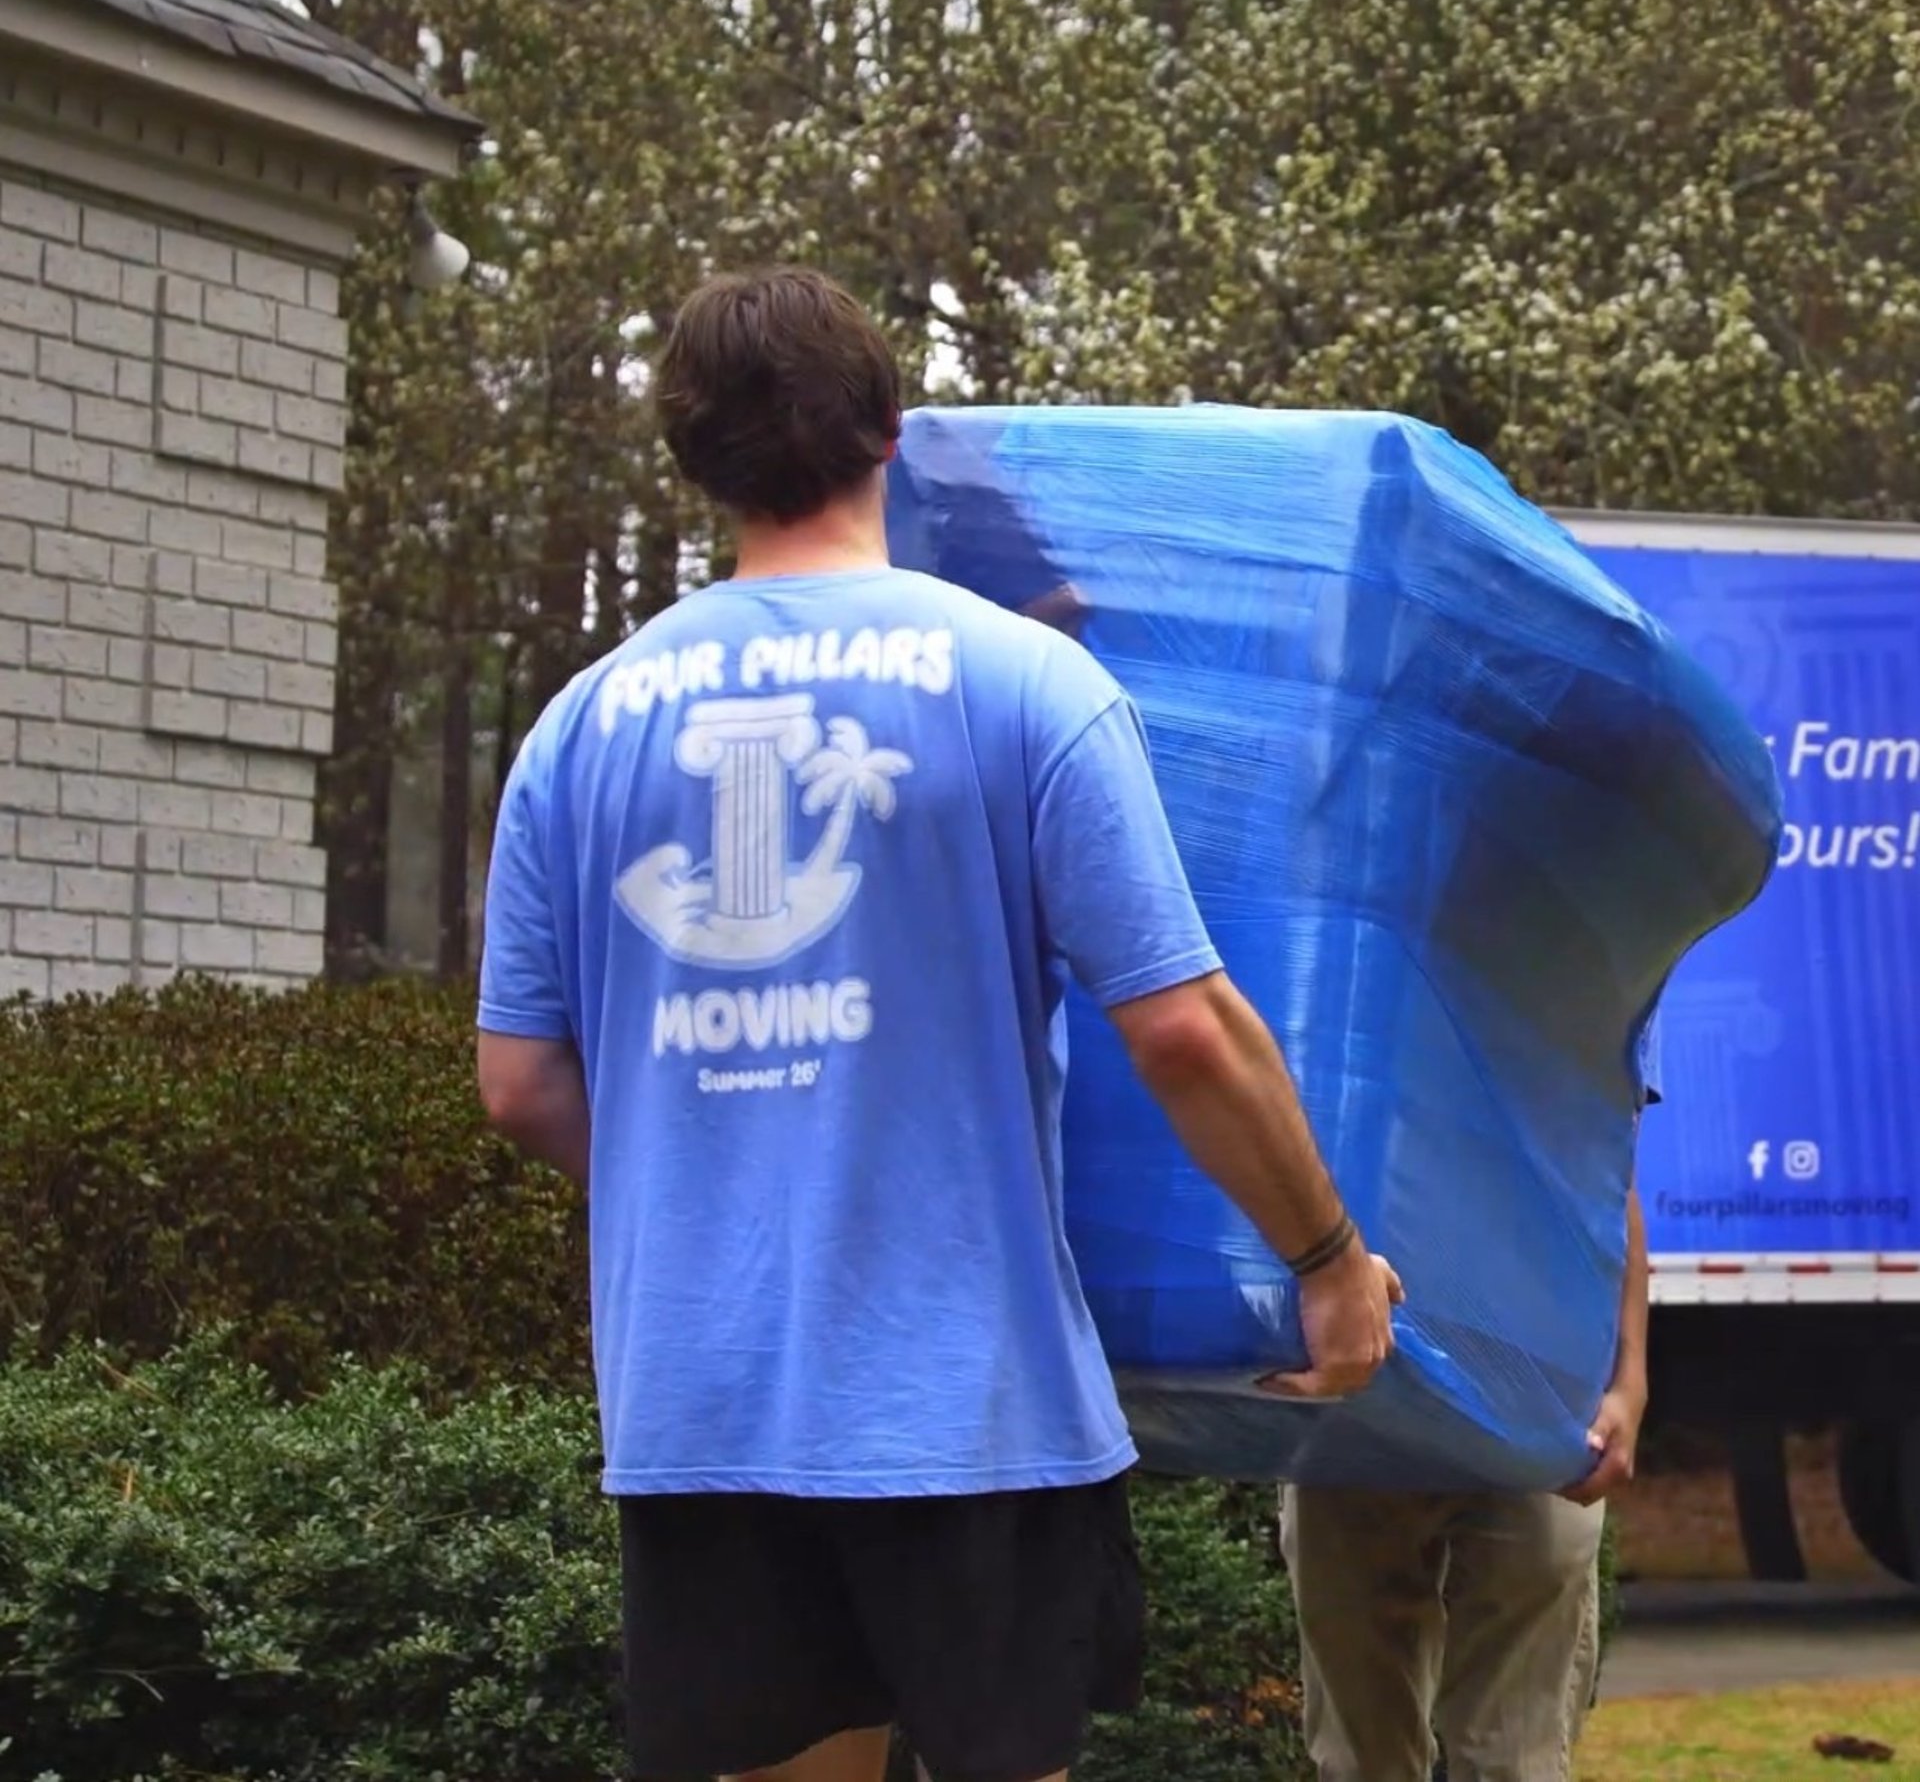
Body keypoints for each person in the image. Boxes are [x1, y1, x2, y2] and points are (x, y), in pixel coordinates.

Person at [474, 266, 1403, 1782]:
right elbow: (1183, 1030)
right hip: (964, 1403)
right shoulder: (1026, 681)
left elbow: (518, 1084)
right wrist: (1325, 1261)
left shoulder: (581, 728)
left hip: (702, 1403)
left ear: (693, 461)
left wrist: (710, 1173)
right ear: (890, 434)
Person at [1278, 1017, 1660, 1782]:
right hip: (1366, 1394)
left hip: (1538, 1393)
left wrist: (1630, 1378)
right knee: (1362, 1760)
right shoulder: (1354, 950)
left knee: (1514, 1758)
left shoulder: (1585, 951)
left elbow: (1603, 1170)